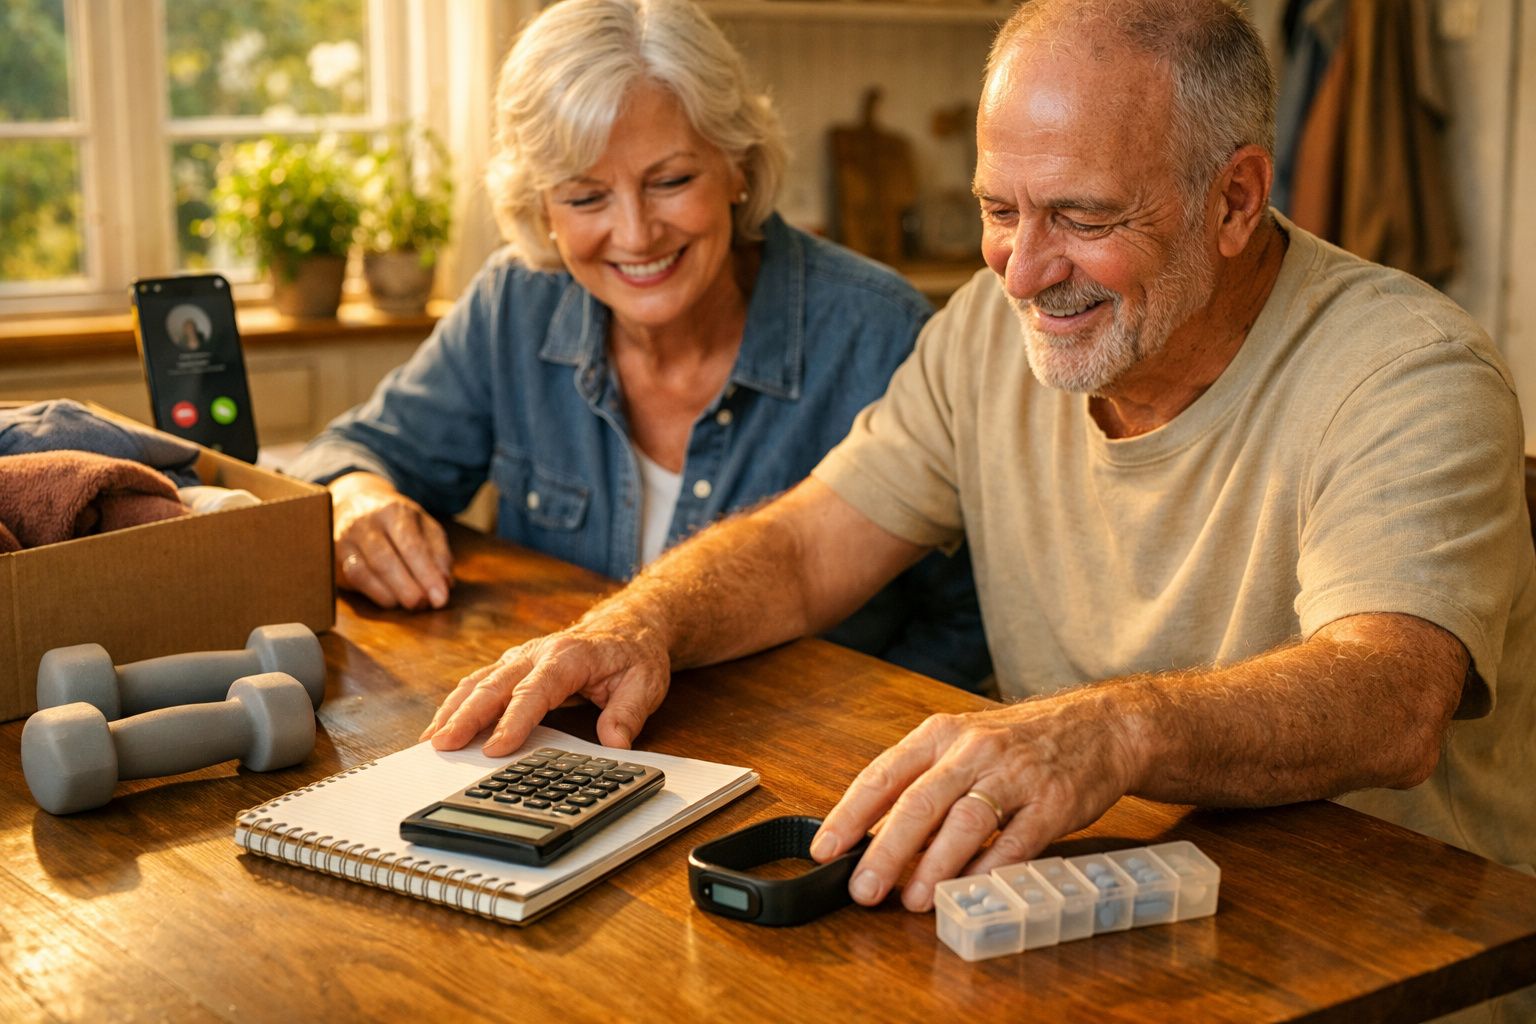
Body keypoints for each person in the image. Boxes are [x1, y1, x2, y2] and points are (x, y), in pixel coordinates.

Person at [424, 0, 1536, 936]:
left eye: (1082, 216)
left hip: (1385, 944)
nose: (1025, 268)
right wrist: (640, 627)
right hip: (1079, 915)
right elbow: (812, 542)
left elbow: (1395, 694)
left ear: (1236, 199)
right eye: (999, 210)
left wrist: (1108, 731)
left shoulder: (1408, 371)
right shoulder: (986, 330)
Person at [289, 0, 990, 690]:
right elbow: (347, 455)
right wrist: (357, 502)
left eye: (671, 181)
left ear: (738, 166)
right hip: (561, 749)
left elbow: (971, 621)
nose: (635, 234)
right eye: (586, 197)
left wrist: (834, 739)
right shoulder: (518, 303)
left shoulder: (878, 332)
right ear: (541, 209)